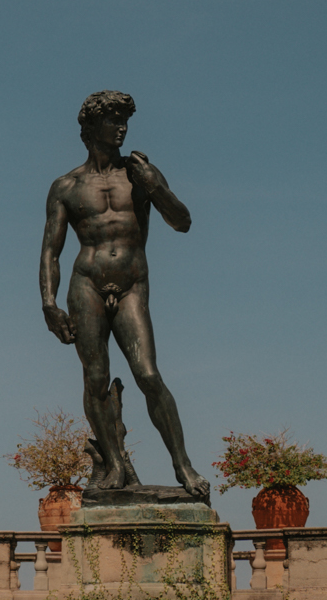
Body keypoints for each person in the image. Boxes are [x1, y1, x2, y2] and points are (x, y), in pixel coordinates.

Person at [38, 89, 209, 498]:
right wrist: (49, 303)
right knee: (95, 379)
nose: (121, 127)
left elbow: (182, 222)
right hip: (87, 284)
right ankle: (114, 464)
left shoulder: (139, 174)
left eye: (124, 120)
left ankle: (183, 466)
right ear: (89, 128)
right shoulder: (66, 185)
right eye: (112, 120)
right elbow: (51, 251)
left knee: (148, 375)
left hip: (132, 283)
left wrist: (156, 187)